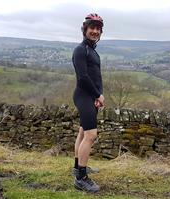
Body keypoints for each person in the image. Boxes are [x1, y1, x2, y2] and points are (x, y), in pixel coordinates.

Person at [72, 13, 105, 193]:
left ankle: (78, 167)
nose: (95, 31)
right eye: (92, 28)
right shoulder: (81, 50)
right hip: (84, 95)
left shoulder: (93, 51)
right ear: (85, 29)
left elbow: (96, 77)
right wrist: (96, 95)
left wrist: (99, 95)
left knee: (83, 132)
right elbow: (83, 77)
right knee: (91, 135)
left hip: (91, 97)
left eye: (98, 29)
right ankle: (81, 178)